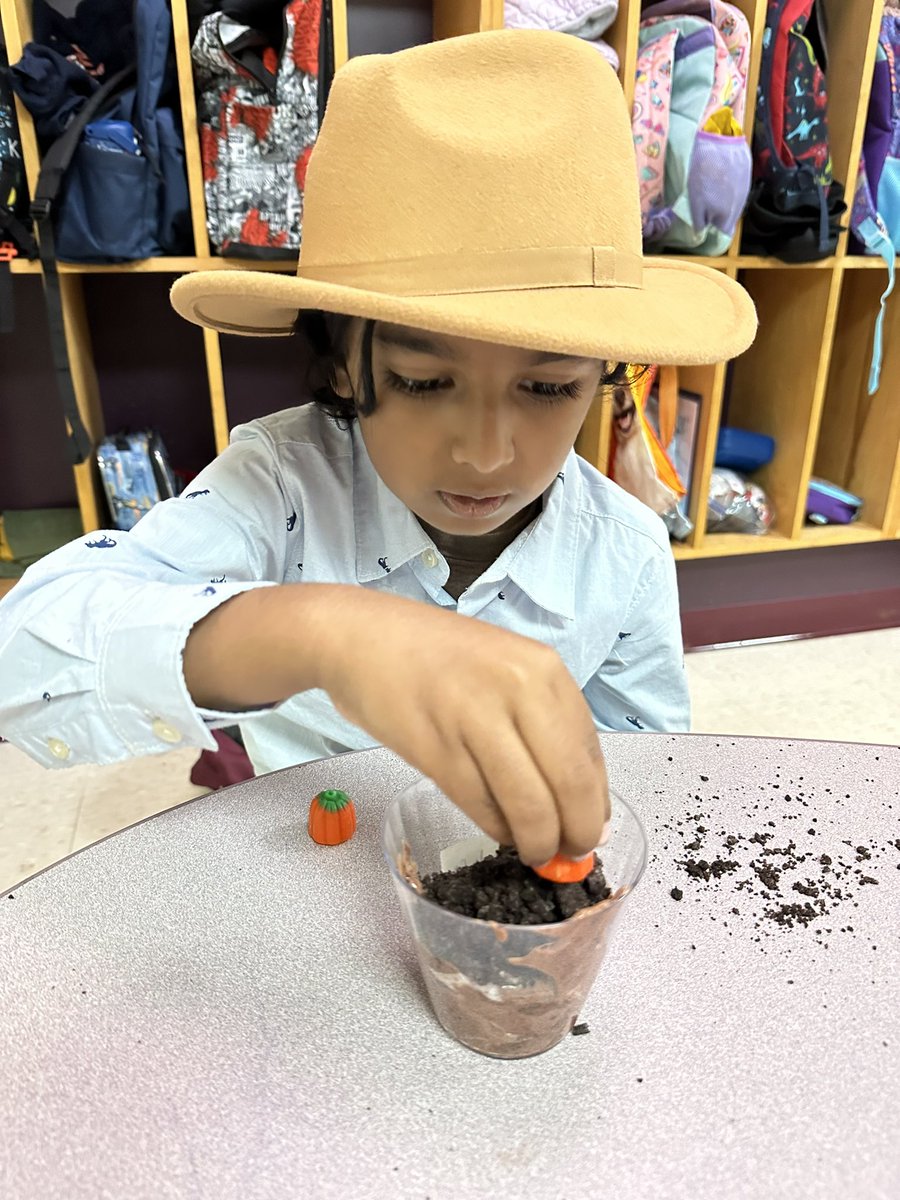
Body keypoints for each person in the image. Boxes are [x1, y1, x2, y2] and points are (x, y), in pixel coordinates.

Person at [0, 29, 756, 868]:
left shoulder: (627, 551)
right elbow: (25, 653)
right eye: (425, 383)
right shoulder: (281, 487)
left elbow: (656, 767)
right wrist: (326, 631)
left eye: (547, 389)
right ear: (338, 366)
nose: (485, 452)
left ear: (608, 376)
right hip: (315, 862)